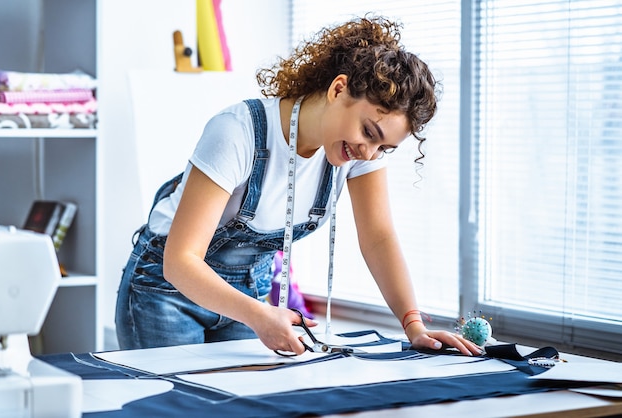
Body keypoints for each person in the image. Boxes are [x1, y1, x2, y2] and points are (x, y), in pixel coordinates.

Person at [115, 15, 482, 356]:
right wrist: (258, 315)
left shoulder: (355, 153)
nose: (369, 153)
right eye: (369, 133)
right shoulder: (238, 131)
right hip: (166, 291)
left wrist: (413, 326)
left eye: (384, 147)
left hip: (247, 291)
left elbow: (378, 237)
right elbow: (179, 262)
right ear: (339, 90)